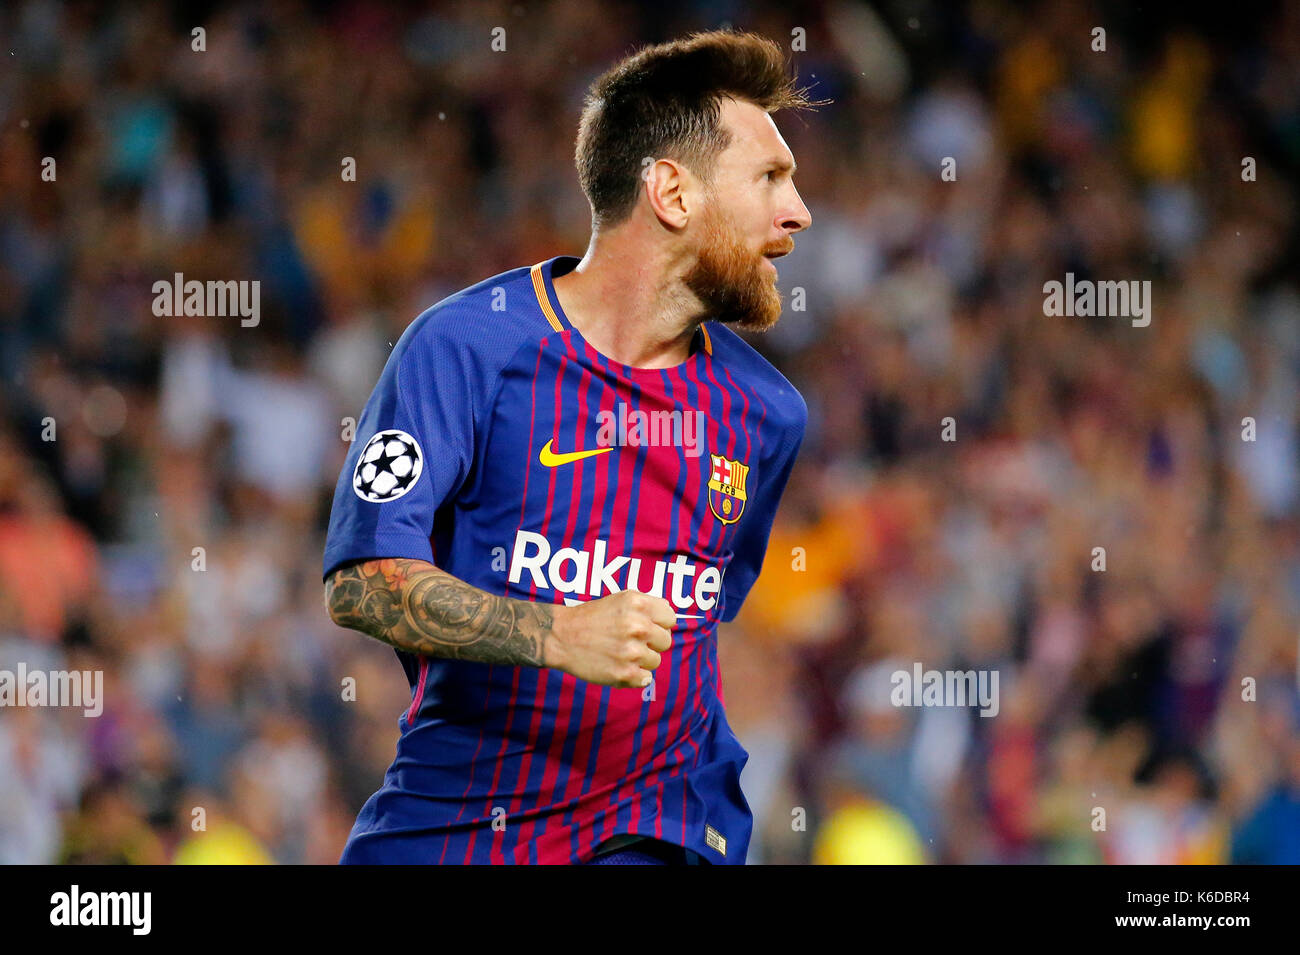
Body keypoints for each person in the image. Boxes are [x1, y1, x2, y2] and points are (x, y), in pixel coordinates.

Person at [322, 29, 814, 865]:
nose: (797, 211)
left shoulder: (767, 413)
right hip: (456, 824)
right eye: (770, 177)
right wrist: (554, 633)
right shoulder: (468, 348)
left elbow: (705, 619)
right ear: (671, 192)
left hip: (658, 828)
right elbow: (362, 582)